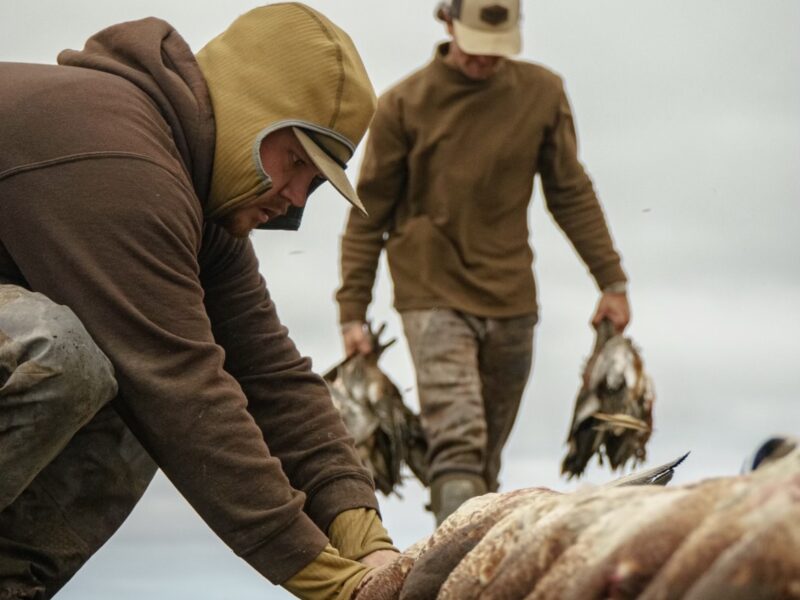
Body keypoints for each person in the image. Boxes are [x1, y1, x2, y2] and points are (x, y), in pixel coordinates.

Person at [0, 4, 398, 598]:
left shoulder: (198, 204)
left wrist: (372, 546)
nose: (294, 199)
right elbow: (183, 391)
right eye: (294, 162)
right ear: (246, 113)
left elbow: (271, 376)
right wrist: (333, 584)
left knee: (132, 387)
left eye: (315, 182)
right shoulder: (120, 161)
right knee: (66, 355)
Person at [336, 0, 631, 525]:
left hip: (512, 299)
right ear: (446, 22)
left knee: (484, 459)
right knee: (459, 443)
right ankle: (459, 578)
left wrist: (611, 280)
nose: (486, 61)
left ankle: (468, 545)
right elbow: (367, 216)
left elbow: (570, 193)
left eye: (498, 50)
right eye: (476, 48)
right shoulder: (404, 105)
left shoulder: (541, 93)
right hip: (431, 295)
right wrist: (352, 310)